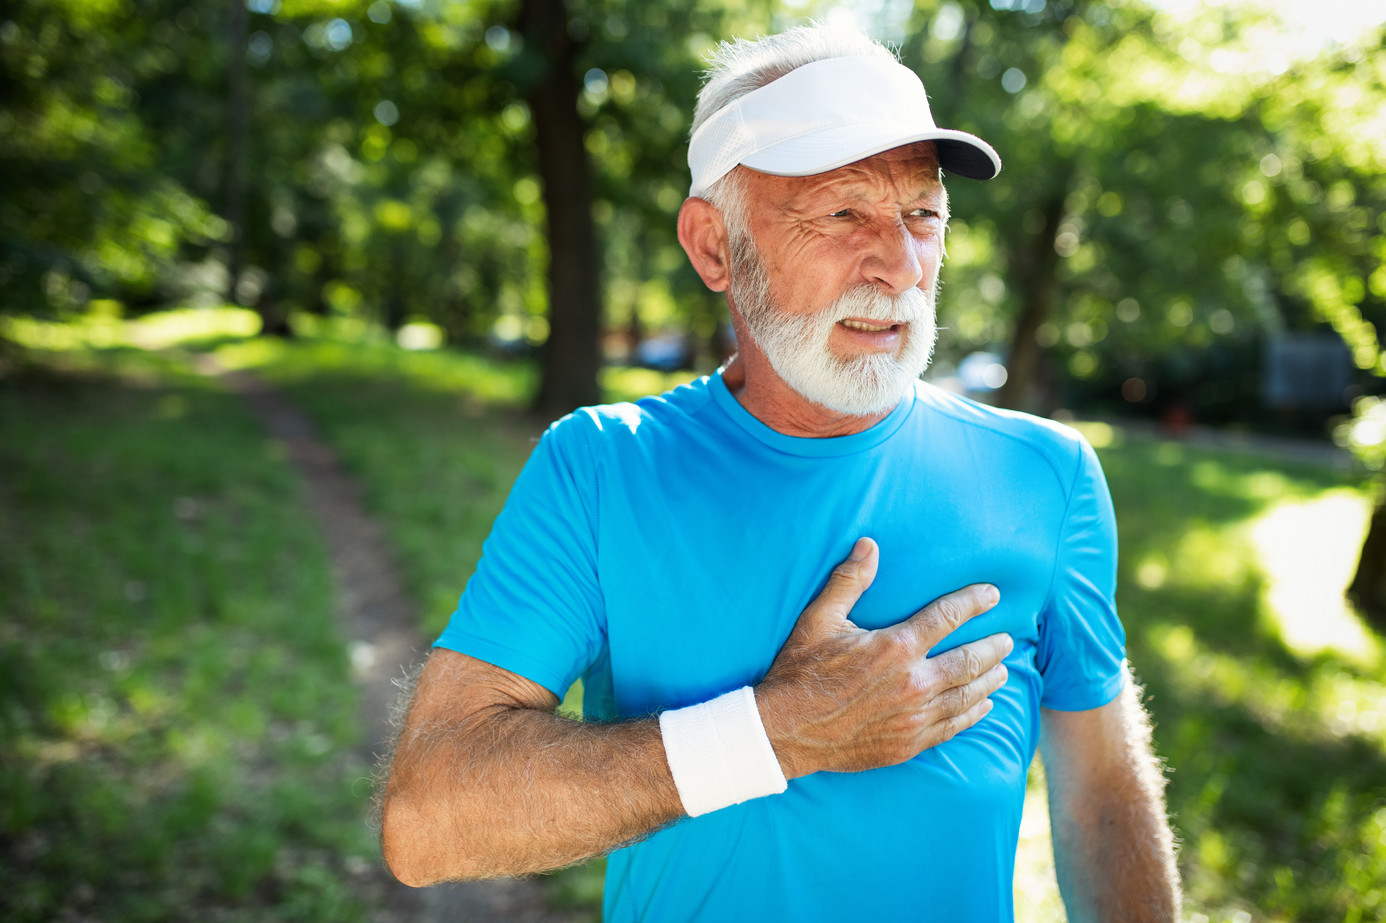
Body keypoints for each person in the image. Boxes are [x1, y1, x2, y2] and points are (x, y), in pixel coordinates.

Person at [380, 22, 1181, 922]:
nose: (899, 264)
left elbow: (1103, 792)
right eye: (842, 213)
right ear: (713, 246)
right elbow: (429, 818)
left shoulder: (1049, 474)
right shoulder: (603, 465)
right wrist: (776, 731)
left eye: (923, 215)